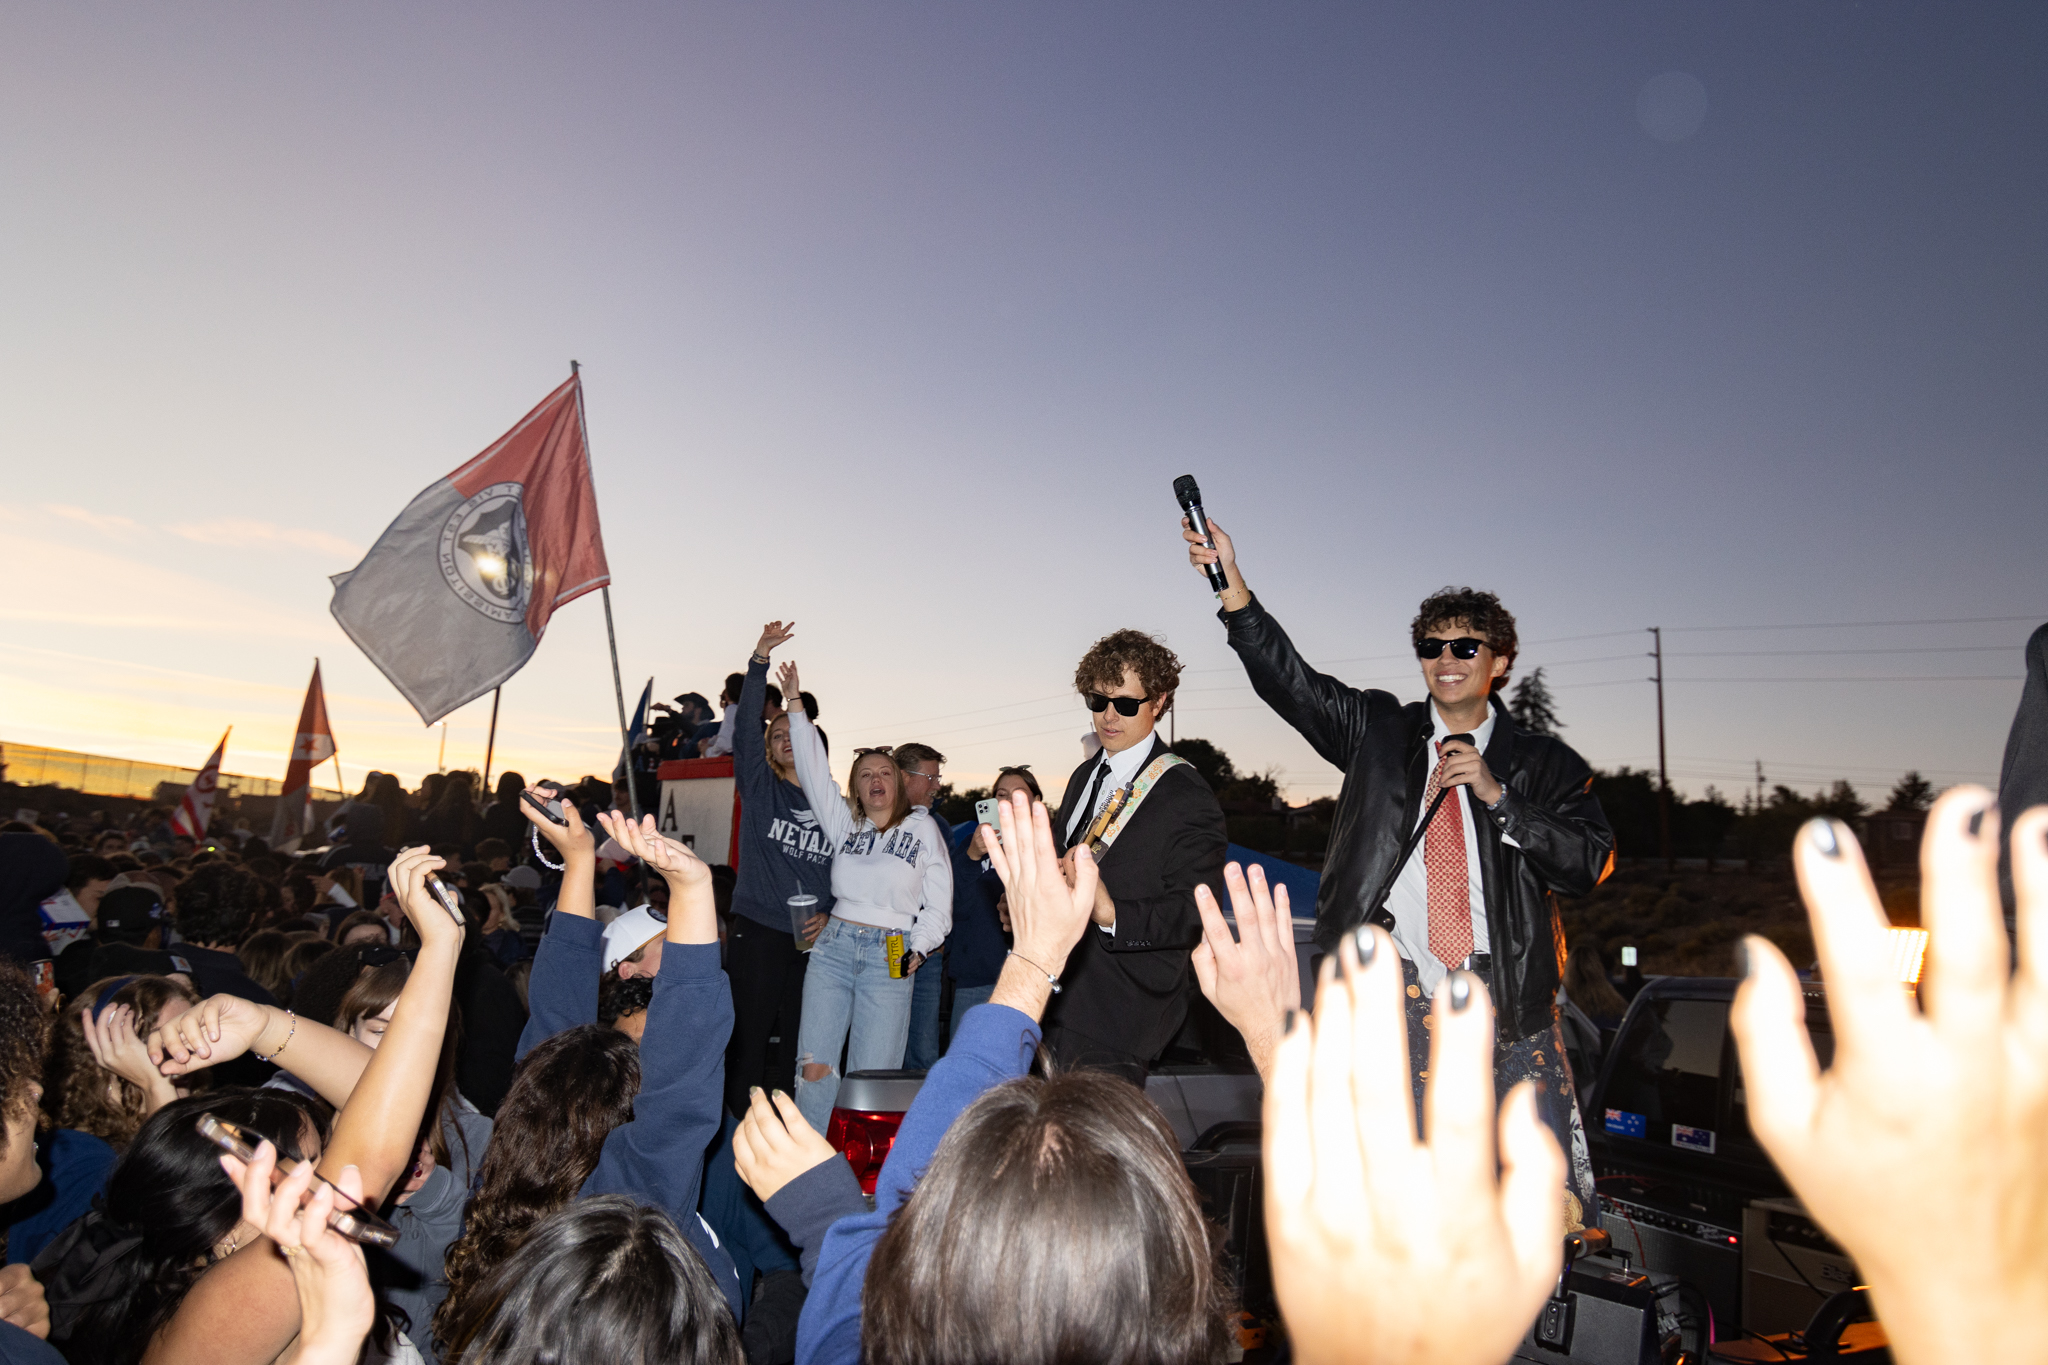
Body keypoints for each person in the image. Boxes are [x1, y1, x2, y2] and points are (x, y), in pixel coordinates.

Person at [1189, 519, 1615, 1221]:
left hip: (1505, 1011)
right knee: (1400, 1209)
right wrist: (1231, 586)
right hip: (1391, 1005)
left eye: (1465, 645)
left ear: (1499, 660)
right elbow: (1290, 681)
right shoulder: (1378, 731)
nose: (1446, 658)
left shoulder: (1545, 764)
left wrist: (1499, 797)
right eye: (1431, 646)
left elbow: (1590, 863)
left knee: (1536, 1215)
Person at [736, 789, 1234, 1365]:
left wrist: (826, 1218)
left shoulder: (923, 830)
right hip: (869, 950)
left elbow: (856, 1314)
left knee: (883, 1068)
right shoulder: (884, 833)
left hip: (936, 964)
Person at [35, 845, 464, 1365]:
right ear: (221, 1226)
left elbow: (372, 1095)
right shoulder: (223, 1310)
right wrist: (440, 947)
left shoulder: (185, 1280)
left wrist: (262, 1025)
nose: (317, 1185)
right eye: (300, 1168)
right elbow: (373, 1153)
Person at [433, 798, 743, 1339]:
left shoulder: (509, 1178)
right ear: (632, 1114)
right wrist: (692, 889)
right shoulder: (631, 1203)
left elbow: (552, 1025)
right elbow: (681, 1073)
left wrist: (579, 864)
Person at [775, 661, 951, 1131]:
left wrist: (917, 948)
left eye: (885, 773)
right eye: (866, 774)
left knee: (872, 1078)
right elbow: (813, 773)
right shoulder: (845, 826)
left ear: (897, 782)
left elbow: (939, 908)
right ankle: (809, 1172)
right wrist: (795, 704)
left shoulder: (923, 829)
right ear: (856, 785)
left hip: (892, 949)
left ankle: (862, 1181)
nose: (876, 780)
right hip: (833, 947)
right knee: (813, 1069)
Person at [1044, 629, 1227, 1082]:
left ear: (1159, 702)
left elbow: (1192, 913)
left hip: (1118, 1014)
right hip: (1051, 994)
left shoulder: (1186, 793)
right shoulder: (1085, 774)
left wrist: (1111, 913)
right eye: (1097, 701)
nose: (1108, 717)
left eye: (1126, 704)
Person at [722, 623, 835, 1118]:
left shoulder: (836, 806)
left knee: (802, 1045)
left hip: (815, 942)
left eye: (797, 734)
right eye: (779, 735)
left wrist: (831, 912)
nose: (787, 740)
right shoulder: (761, 787)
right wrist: (759, 658)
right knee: (746, 1042)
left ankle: (792, 1136)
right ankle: (730, 1141)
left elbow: (852, 874)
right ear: (768, 749)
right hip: (759, 931)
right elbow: (746, 727)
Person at [943, 766, 1040, 1027]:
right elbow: (950, 905)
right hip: (976, 978)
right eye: (1001, 794)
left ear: (1036, 802)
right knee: (967, 1063)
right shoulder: (971, 845)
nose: (1007, 801)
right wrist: (973, 856)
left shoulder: (1047, 845)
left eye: (1017, 794)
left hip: (1030, 977)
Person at [891, 743, 948, 1071]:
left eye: (938, 777)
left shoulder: (937, 828)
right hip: (889, 947)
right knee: (885, 1047)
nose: (937, 785)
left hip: (929, 958)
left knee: (924, 1054)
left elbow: (945, 896)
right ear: (903, 776)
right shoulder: (872, 821)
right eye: (930, 777)